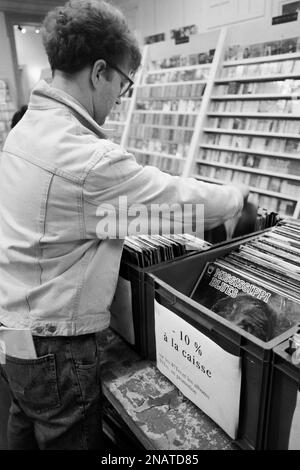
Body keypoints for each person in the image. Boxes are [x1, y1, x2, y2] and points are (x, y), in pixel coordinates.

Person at [0, 0, 249, 450]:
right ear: (99, 72)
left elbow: (93, 216)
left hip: (18, 335)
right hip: (58, 348)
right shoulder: (86, 159)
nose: (119, 98)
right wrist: (234, 199)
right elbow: (177, 203)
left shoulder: (27, 129)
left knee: (23, 428)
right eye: (122, 83)